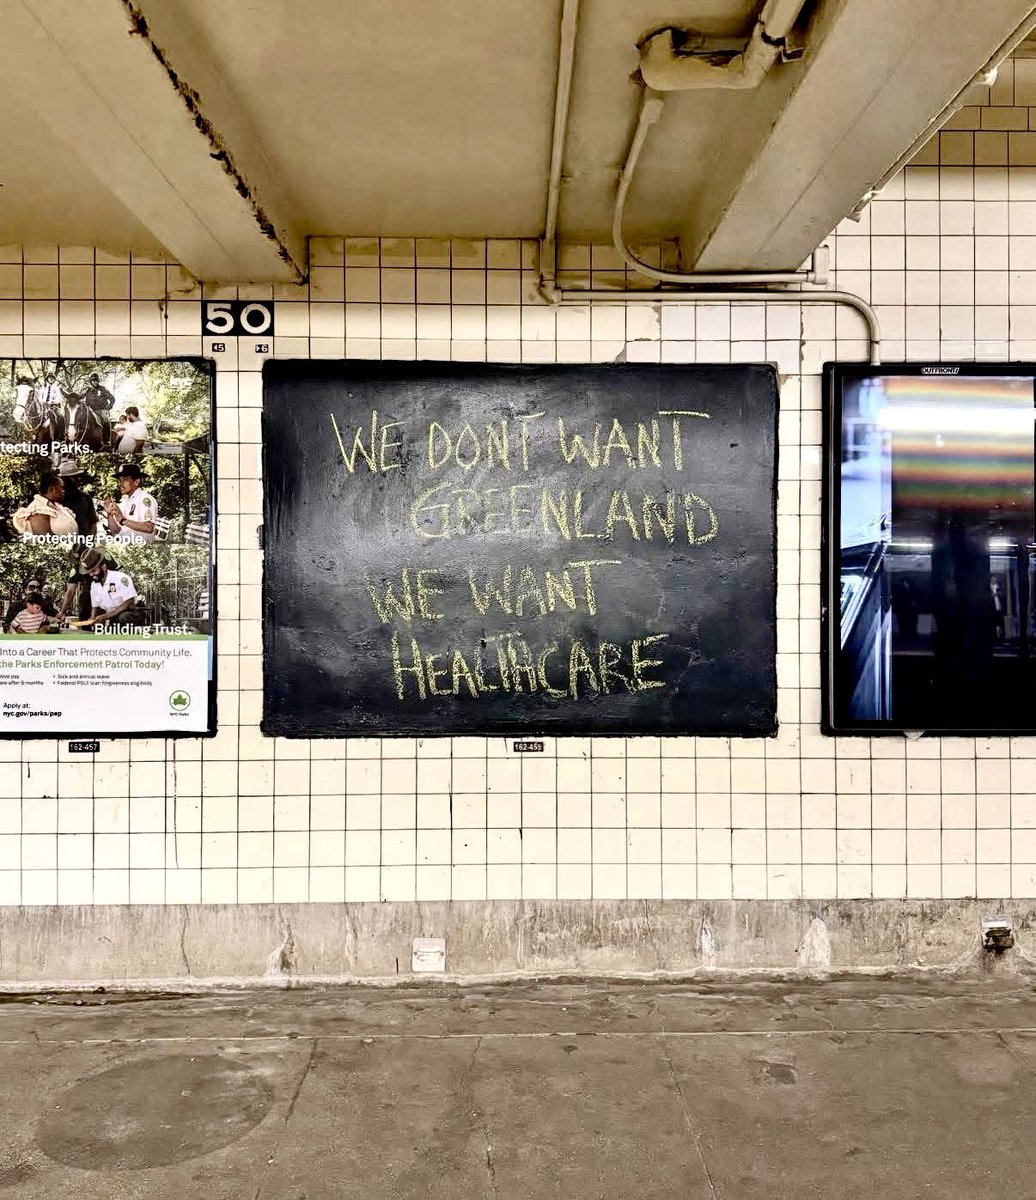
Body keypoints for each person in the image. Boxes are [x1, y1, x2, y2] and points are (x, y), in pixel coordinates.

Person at [77, 547, 139, 628]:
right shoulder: (94, 585)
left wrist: (106, 616)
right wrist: (93, 618)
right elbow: (95, 607)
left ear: (104, 567)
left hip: (128, 614)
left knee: (124, 618)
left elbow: (129, 603)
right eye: (89, 572)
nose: (91, 575)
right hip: (110, 616)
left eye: (94, 571)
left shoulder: (121, 578)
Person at [57, 546, 119, 623]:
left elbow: (116, 577)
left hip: (110, 591)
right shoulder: (76, 568)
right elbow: (70, 591)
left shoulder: (104, 556)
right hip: (88, 596)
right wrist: (62, 612)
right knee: (86, 618)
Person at [11, 472, 78, 537]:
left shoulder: (57, 506)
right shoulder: (38, 509)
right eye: (61, 487)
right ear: (52, 489)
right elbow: (46, 539)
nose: (63, 491)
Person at [104, 462, 158, 542]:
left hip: (140, 548)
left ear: (136, 481)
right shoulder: (126, 501)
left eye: (125, 480)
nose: (120, 484)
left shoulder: (145, 499)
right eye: (120, 480)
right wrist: (110, 514)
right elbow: (116, 531)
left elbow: (149, 527)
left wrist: (122, 520)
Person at [57, 458, 97, 539]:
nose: (78, 479)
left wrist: (89, 540)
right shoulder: (56, 499)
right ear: (63, 479)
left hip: (83, 542)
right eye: (73, 477)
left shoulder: (85, 498)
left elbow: (93, 522)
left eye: (78, 476)